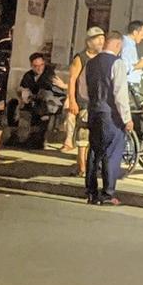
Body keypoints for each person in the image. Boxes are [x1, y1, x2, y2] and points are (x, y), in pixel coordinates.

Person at [84, 30, 133, 206]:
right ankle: (107, 193)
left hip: (94, 111)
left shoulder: (90, 63)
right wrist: (127, 118)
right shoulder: (117, 63)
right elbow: (120, 94)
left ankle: (91, 192)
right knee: (111, 153)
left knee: (94, 152)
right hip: (110, 114)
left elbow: (83, 90)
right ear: (118, 45)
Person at [63, 27, 106, 174]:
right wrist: (72, 100)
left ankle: (90, 164)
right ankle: (82, 166)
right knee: (84, 132)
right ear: (89, 42)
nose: (101, 41)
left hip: (100, 101)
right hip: (85, 100)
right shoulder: (80, 58)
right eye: (97, 39)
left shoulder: (103, 58)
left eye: (102, 38)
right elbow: (72, 79)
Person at [10, 52, 57, 145]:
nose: (39, 68)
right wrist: (24, 94)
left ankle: (40, 137)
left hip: (45, 105)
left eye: (41, 65)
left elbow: (47, 90)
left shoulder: (49, 74)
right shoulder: (28, 75)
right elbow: (23, 88)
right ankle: (23, 136)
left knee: (44, 100)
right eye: (36, 66)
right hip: (31, 104)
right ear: (31, 66)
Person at [121, 20, 143, 91]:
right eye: (142, 34)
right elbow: (123, 68)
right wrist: (139, 65)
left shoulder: (130, 45)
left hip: (131, 83)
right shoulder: (127, 46)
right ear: (135, 33)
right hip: (129, 84)